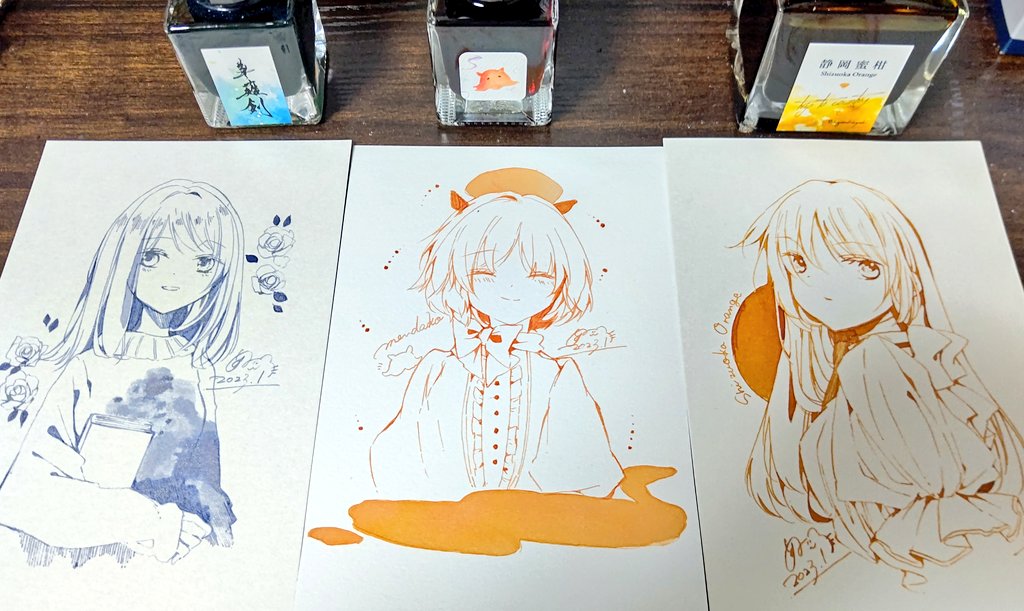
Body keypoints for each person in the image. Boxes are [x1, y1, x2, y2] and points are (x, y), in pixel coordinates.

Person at [740, 179, 1024, 584]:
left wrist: (903, 540)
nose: (823, 288)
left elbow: (957, 495)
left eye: (863, 265)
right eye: (799, 264)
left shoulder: (878, 362)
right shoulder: (851, 364)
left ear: (901, 270)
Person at [0, 180, 244, 567]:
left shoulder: (199, 369)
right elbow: (22, 494)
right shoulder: (89, 367)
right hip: (82, 559)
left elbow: (201, 474)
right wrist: (149, 520)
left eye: (202, 263)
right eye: (152, 256)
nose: (175, 275)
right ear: (123, 256)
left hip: (176, 563)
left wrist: (207, 504)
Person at [370, 168, 623, 500]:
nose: (512, 289)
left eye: (539, 277)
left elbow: (586, 477)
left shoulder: (557, 377)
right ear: (458, 274)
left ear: (562, 281)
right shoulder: (436, 370)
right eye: (485, 273)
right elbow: (401, 459)